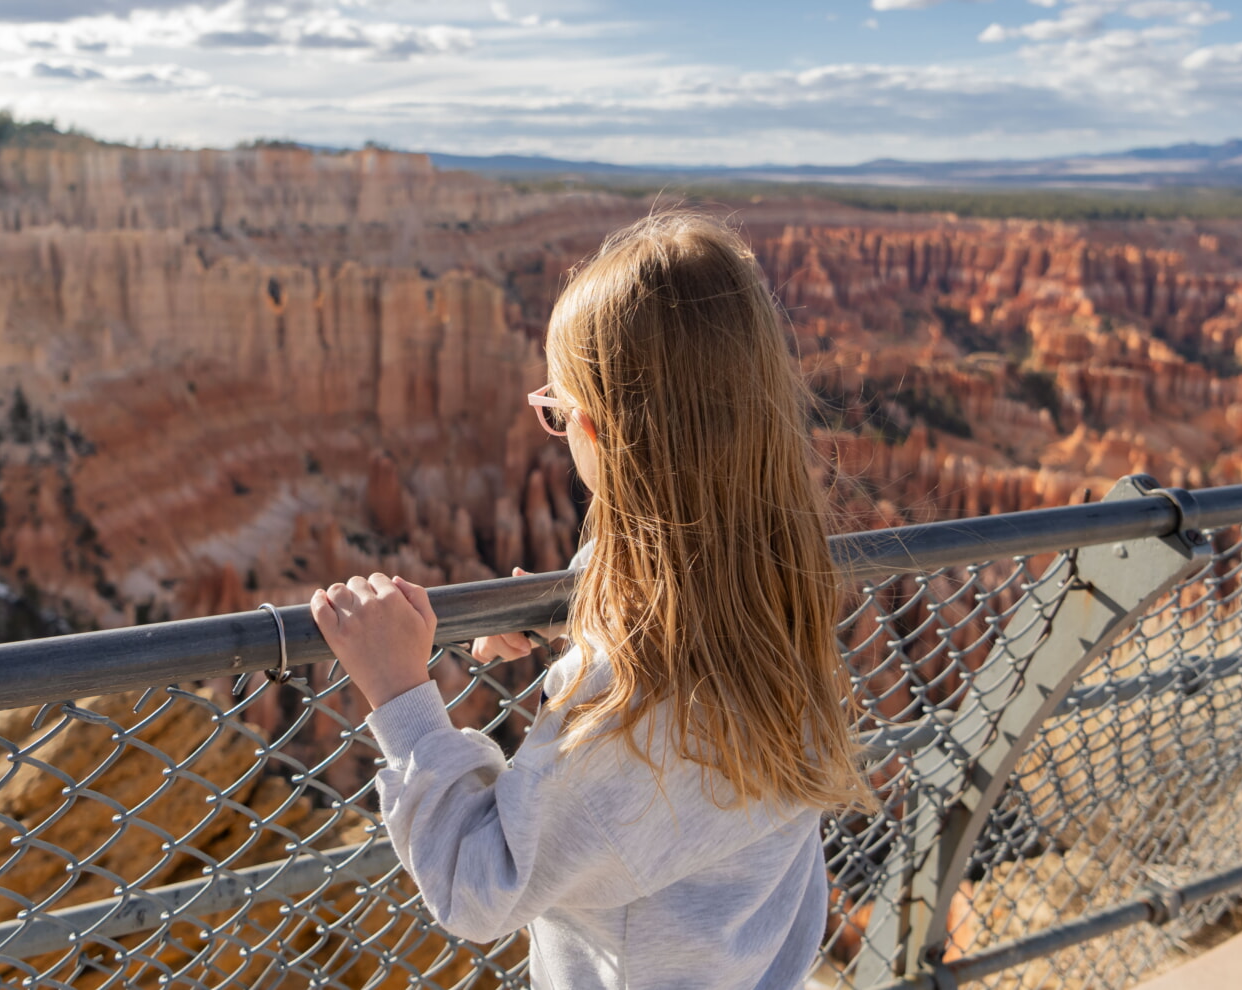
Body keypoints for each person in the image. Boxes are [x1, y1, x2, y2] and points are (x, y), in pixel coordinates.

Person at [309, 212, 870, 989]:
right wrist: (579, 618)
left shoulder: (633, 708)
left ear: (599, 432)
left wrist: (399, 695)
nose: (553, 429)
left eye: (556, 412)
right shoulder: (779, 595)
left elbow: (480, 883)